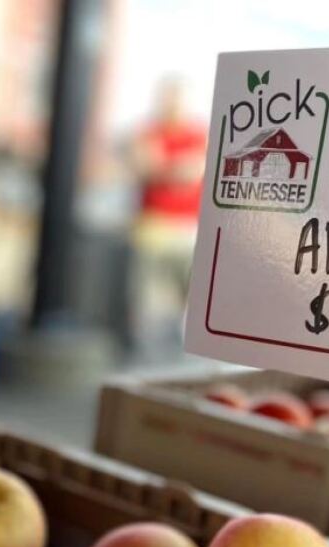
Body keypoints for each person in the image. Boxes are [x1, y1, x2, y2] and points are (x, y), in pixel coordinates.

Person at [129, 77, 207, 347]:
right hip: (152, 226)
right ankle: (144, 344)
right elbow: (146, 166)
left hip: (187, 227)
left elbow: (194, 169)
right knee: (147, 295)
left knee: (188, 291)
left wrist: (168, 168)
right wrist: (174, 169)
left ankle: (179, 341)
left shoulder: (198, 133)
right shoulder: (148, 131)